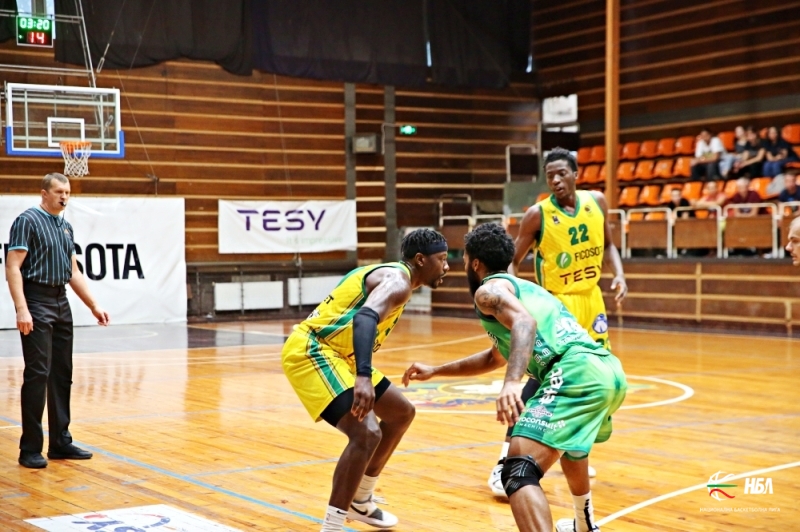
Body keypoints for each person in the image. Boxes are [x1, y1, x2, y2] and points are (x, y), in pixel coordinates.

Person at [403, 223, 627, 532]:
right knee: (571, 444)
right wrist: (436, 370)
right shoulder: (524, 288)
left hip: (573, 371)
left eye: (464, 258)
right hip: (606, 370)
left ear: (475, 263)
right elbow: (495, 357)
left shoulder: (488, 291)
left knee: (518, 471)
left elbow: (524, 324)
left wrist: (512, 383)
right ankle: (584, 523)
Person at [281, 228, 449, 532]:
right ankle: (332, 526)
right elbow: (365, 317)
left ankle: (360, 500)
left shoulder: (395, 277)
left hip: (340, 355)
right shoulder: (398, 282)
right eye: (442, 259)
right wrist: (362, 377)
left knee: (401, 413)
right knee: (366, 433)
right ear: (421, 260)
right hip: (314, 350)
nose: (447, 266)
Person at [483, 147, 627, 498]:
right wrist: (514, 298)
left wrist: (619, 275)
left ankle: (574, 449)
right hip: (556, 305)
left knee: (591, 378)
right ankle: (504, 460)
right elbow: (512, 261)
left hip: (591, 302)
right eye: (550, 176)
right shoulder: (537, 215)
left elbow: (609, 244)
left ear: (576, 174)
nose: (556, 180)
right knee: (539, 381)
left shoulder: (597, 202)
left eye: (562, 173)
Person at [5, 173, 110, 469]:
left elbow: (73, 271)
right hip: (36, 300)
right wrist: (22, 309)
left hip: (61, 301)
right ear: (44, 194)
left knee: (62, 374)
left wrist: (93, 305)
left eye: (68, 192)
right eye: (59, 191)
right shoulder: (27, 221)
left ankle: (61, 442)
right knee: (37, 374)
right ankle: (30, 448)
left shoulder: (65, 226)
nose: (64, 197)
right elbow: (12, 267)